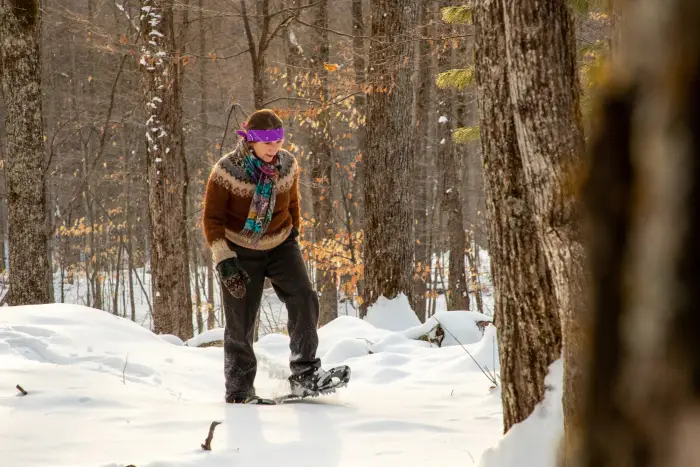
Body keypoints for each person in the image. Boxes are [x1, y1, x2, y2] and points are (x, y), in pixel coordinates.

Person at [202, 109, 335, 404]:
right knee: (240, 320)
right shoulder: (226, 172)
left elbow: (293, 204)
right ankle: (239, 389)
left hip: (280, 245)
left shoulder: (287, 164)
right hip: (239, 250)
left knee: (304, 298)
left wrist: (294, 234)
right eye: (266, 142)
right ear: (250, 141)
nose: (273, 148)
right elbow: (212, 220)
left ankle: (305, 374)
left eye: (277, 141)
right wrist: (224, 259)